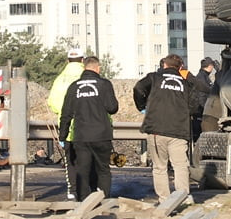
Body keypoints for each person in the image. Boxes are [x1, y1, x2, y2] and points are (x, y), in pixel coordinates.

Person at [134, 53, 204, 201]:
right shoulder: (186, 84)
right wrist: (183, 113)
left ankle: (164, 200)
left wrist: (143, 106)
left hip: (156, 129)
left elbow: (138, 88)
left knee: (160, 167)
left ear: (164, 65)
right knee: (180, 166)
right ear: (180, 68)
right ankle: (182, 198)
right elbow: (194, 105)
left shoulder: (153, 78)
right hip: (178, 131)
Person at [58, 56, 119, 200]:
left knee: (82, 171)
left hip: (81, 136)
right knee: (103, 170)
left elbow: (66, 114)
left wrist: (63, 136)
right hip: (101, 135)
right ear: (98, 68)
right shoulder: (104, 84)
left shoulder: (74, 86)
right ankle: (103, 200)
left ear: (84, 68)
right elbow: (112, 108)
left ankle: (83, 202)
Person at [48, 47, 85, 199]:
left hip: (67, 128)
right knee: (88, 159)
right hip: (88, 126)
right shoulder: (87, 75)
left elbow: (53, 103)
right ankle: (88, 190)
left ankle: (72, 191)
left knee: (71, 162)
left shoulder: (60, 79)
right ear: (82, 60)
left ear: (67, 61)